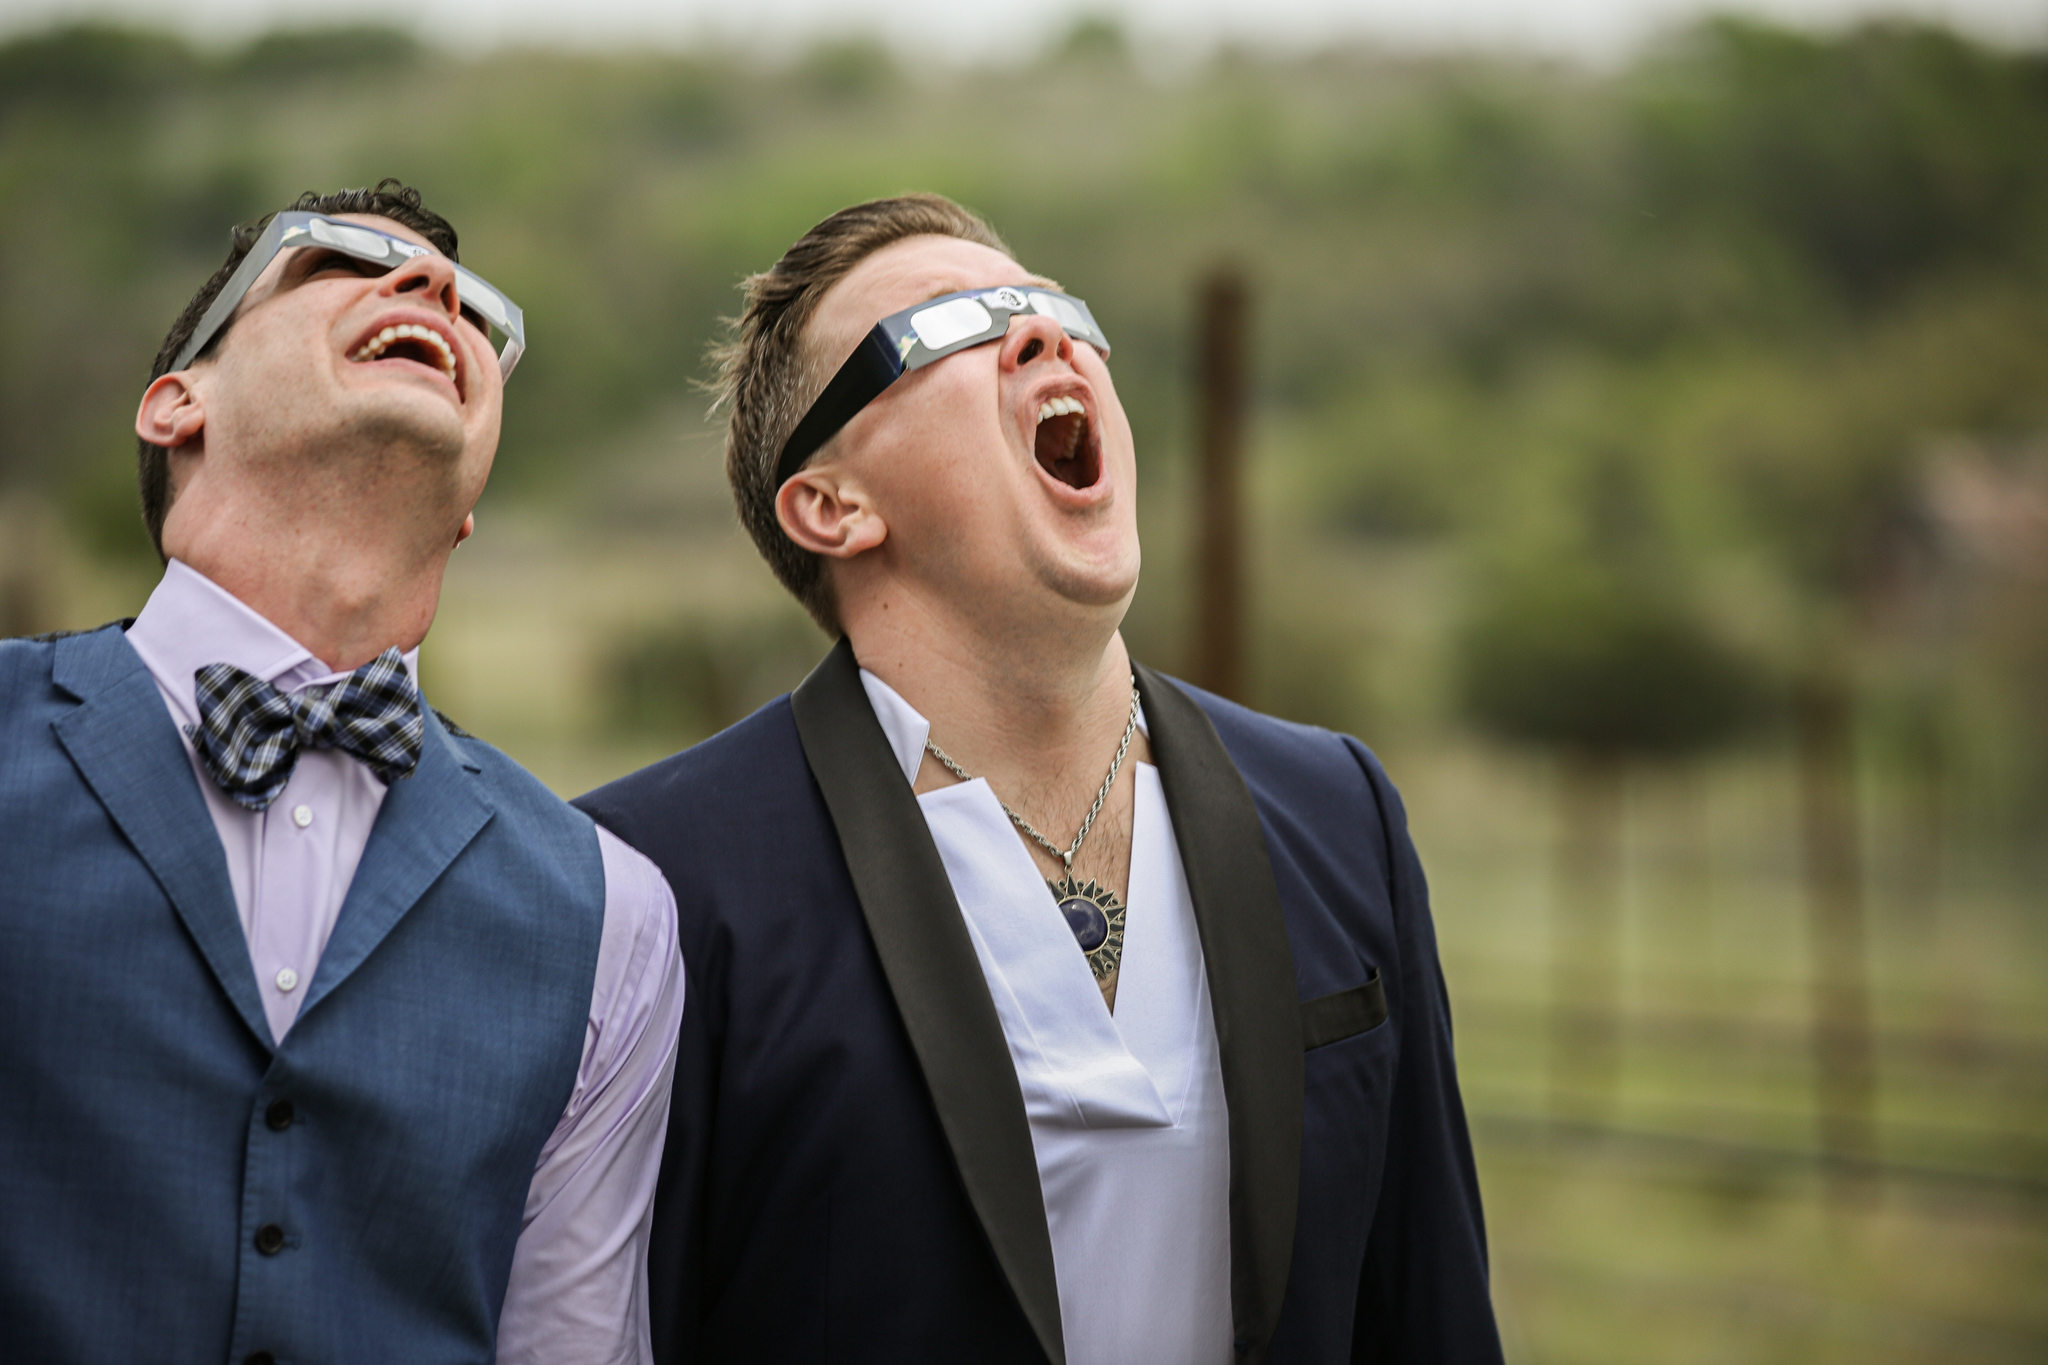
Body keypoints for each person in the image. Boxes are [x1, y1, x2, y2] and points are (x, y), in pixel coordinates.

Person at [578, 194, 1502, 1363]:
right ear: (831, 505)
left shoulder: (1336, 809)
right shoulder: (650, 881)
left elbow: (1427, 1318)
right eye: (941, 329)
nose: (1038, 335)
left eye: (1050, 306)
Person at [0, 181, 683, 1365]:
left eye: (477, 311)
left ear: (472, 500)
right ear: (176, 402)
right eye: (335, 264)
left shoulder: (614, 915)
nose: (428, 289)